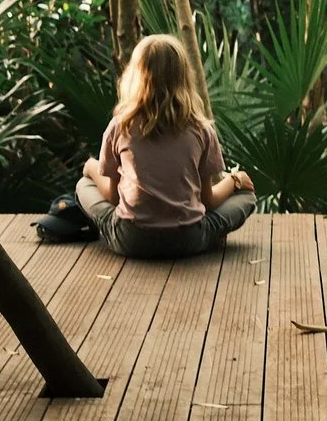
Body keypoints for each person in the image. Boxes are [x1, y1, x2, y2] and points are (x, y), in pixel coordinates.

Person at [45, 34, 255, 259]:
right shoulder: (201, 130)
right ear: (183, 77)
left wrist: (90, 168)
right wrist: (235, 181)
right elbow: (208, 201)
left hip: (131, 240)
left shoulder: (120, 126)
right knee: (248, 197)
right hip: (188, 240)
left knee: (83, 184)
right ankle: (212, 236)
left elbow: (112, 197)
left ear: (135, 76)